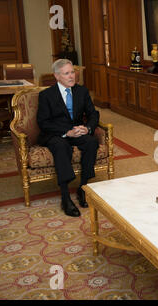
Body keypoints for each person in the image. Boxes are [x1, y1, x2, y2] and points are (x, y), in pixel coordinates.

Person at [37, 59, 100, 217]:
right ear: (57, 76)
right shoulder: (46, 95)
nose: (71, 76)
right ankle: (65, 197)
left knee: (92, 142)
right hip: (56, 133)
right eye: (67, 73)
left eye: (72, 72)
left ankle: (83, 188)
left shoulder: (82, 91)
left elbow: (93, 114)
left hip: (78, 131)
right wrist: (67, 131)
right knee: (61, 146)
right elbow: (43, 122)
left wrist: (88, 128)